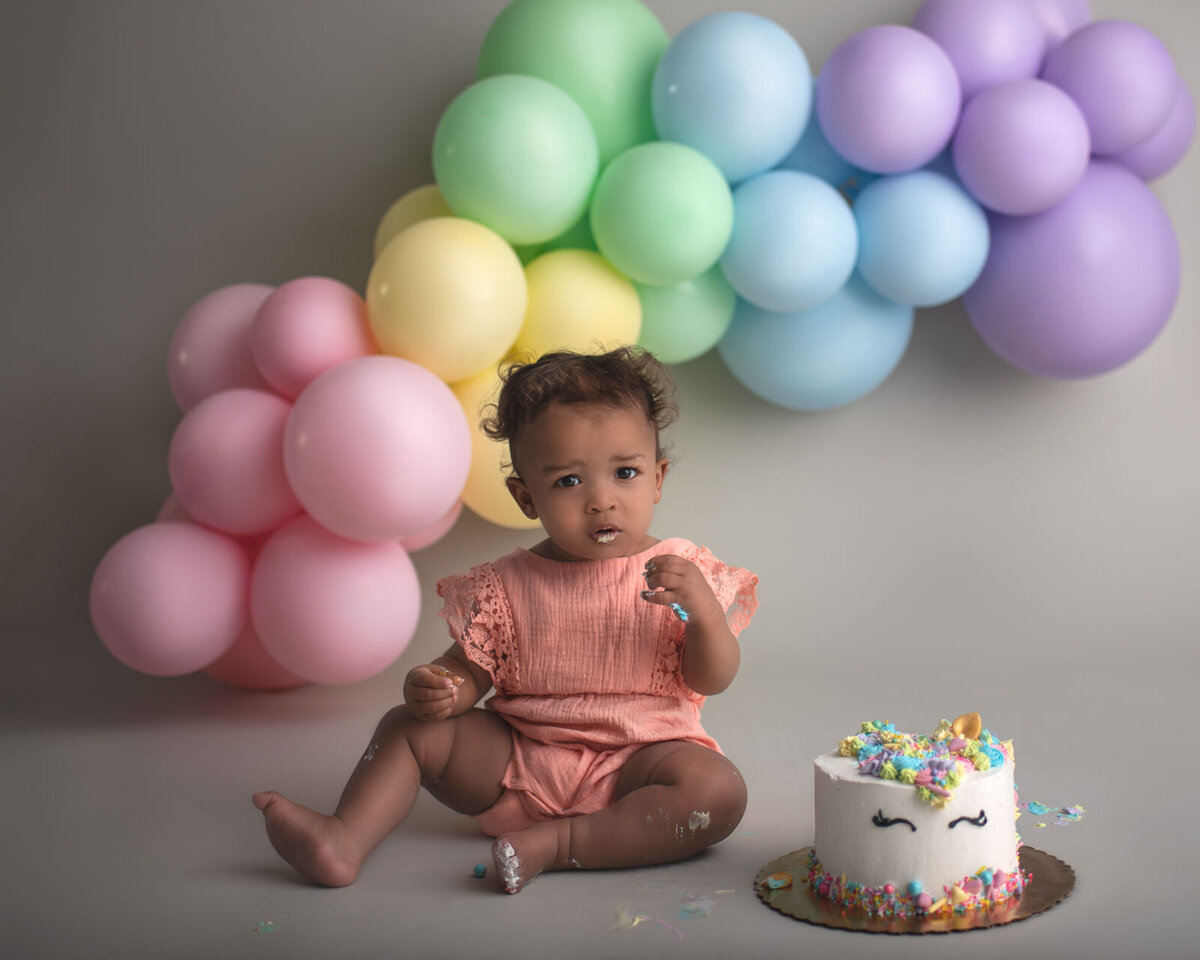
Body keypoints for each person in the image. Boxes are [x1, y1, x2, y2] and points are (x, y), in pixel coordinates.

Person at [253, 347, 757, 892]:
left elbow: (713, 677)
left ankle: (560, 845)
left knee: (717, 791)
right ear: (525, 497)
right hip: (520, 759)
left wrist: (705, 613)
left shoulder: (681, 572)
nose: (601, 500)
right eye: (568, 481)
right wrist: (445, 688)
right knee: (407, 727)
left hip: (639, 765)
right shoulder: (508, 584)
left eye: (625, 472)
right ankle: (344, 837)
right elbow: (471, 671)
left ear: (657, 479)